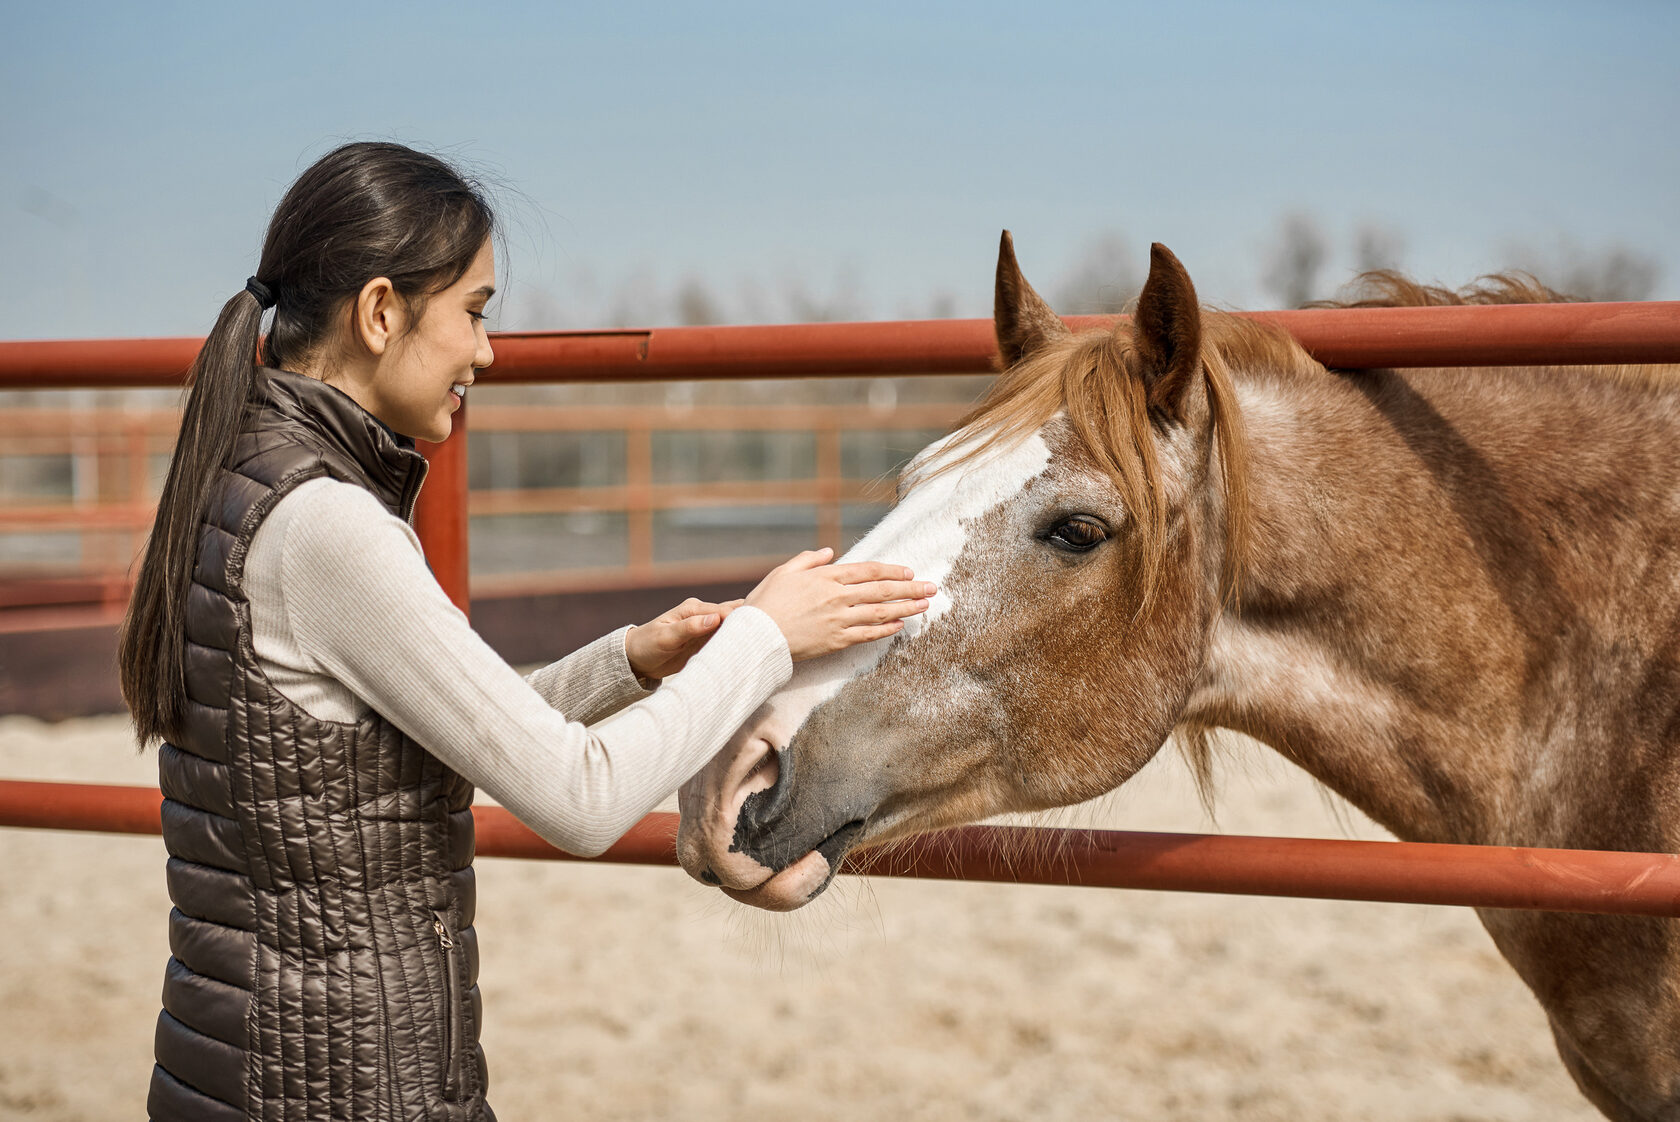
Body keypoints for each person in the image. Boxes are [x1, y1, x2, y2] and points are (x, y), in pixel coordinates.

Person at [118, 141, 934, 1122]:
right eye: (473, 312)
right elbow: (580, 801)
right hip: (342, 1085)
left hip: (254, 1067)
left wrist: (628, 662)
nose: (486, 353)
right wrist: (764, 636)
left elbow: (421, 744)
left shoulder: (247, 473)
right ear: (382, 313)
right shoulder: (326, 527)